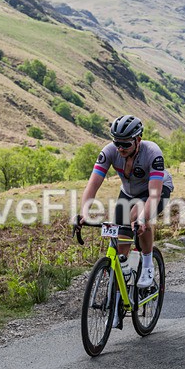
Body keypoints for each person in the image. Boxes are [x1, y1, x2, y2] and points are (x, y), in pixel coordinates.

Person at [74, 114, 174, 299]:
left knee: (137, 216)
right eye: (117, 143)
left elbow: (154, 195)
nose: (120, 148)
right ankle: (119, 298)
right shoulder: (109, 151)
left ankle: (147, 265)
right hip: (128, 192)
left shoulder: (152, 152)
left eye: (125, 144)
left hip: (156, 191)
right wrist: (84, 213)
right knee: (121, 246)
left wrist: (143, 218)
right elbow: (93, 185)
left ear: (138, 140)